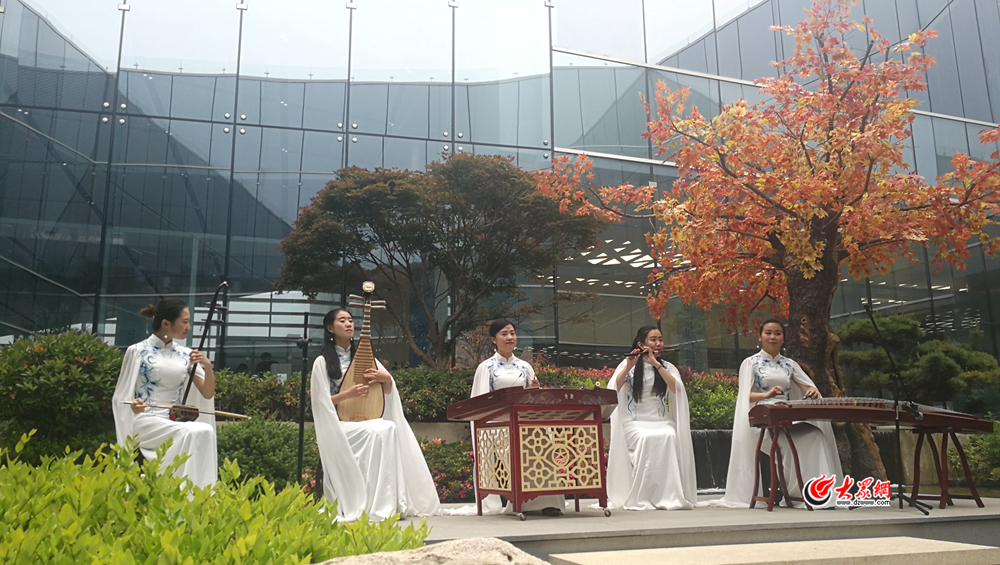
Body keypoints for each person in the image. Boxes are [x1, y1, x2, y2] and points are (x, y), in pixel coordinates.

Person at [310, 308, 439, 522]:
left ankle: (385, 503)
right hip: (339, 425)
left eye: (350, 320)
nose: (349, 324)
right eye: (342, 321)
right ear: (330, 328)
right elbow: (319, 403)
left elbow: (386, 390)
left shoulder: (365, 357)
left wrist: (386, 379)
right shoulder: (322, 362)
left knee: (388, 428)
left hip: (365, 420)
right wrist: (347, 395)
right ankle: (370, 502)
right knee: (379, 431)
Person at [714, 319, 842, 509]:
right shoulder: (751, 363)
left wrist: (813, 392)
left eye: (777, 333)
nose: (772, 337)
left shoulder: (790, 364)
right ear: (760, 337)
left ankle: (818, 493)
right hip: (762, 421)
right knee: (789, 444)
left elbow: (808, 386)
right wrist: (766, 395)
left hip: (786, 416)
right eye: (768, 333)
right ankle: (797, 493)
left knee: (816, 436)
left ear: (783, 338)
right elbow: (745, 396)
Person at [111, 299, 218, 489]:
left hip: (174, 420)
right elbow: (121, 397)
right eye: (184, 322)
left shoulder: (186, 354)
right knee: (191, 431)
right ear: (166, 324)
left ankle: (199, 492)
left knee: (205, 430)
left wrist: (207, 366)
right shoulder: (138, 351)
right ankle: (177, 489)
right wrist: (133, 405)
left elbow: (207, 393)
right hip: (145, 420)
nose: (189, 327)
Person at [468, 319, 565, 516]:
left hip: (525, 422)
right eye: (504, 334)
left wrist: (534, 390)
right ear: (493, 339)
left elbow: (533, 398)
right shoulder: (486, 367)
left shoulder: (525, 366)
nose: (510, 337)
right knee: (515, 448)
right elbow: (481, 402)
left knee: (542, 444)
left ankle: (548, 502)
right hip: (498, 426)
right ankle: (520, 501)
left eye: (512, 333)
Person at [605, 325, 697, 510]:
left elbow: (676, 389)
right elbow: (613, 389)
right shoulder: (628, 365)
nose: (658, 343)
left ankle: (668, 494)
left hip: (661, 420)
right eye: (653, 340)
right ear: (641, 344)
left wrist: (657, 365)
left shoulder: (667, 367)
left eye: (660, 340)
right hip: (634, 422)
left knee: (669, 436)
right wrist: (629, 366)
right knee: (645, 438)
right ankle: (642, 495)